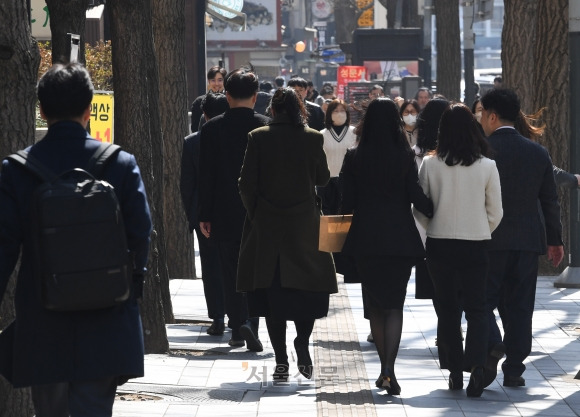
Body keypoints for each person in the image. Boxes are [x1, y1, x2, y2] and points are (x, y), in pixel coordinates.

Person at [0, 63, 152, 416]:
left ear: (42, 109)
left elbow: (4, 247)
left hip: (42, 319)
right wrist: (131, 289)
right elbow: (141, 233)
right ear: (89, 108)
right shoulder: (120, 164)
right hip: (105, 316)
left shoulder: (17, 171)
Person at [237, 87, 337, 381]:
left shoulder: (258, 137)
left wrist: (256, 212)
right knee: (307, 288)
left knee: (272, 294)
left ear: (273, 109)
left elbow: (245, 183)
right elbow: (322, 178)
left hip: (267, 226)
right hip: (304, 226)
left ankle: (281, 360)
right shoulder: (312, 138)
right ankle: (302, 343)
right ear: (300, 108)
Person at [339, 98, 433, 395]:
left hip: (366, 239)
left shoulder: (354, 156)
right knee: (394, 305)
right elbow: (416, 196)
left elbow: (346, 201)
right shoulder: (404, 157)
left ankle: (383, 368)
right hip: (399, 240)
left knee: (375, 305)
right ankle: (389, 369)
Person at [414, 103, 503, 397]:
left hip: (439, 244)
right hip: (475, 243)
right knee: (477, 307)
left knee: (447, 308)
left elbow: (421, 207)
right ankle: (477, 366)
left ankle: (453, 368)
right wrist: (480, 228)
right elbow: (496, 211)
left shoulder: (430, 164)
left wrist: (433, 226)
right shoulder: (487, 166)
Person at [479, 88, 564, 388]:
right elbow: (549, 201)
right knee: (520, 305)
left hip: (488, 238)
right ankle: (514, 368)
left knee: (483, 299)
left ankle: (492, 341)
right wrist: (555, 240)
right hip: (527, 240)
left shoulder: (482, 151)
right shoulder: (537, 152)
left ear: (491, 115)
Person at [198, 64, 270, 351]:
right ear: (255, 96)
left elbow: (207, 175)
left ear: (226, 95)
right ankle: (252, 321)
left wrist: (204, 214)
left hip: (223, 210)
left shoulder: (212, 128)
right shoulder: (264, 126)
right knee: (257, 269)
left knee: (229, 269)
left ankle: (237, 325)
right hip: (259, 211)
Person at [180, 92, 228, 336]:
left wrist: (194, 214)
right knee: (236, 264)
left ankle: (218, 317)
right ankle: (241, 317)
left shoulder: (192, 141)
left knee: (211, 267)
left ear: (204, 114)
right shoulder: (241, 136)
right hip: (234, 211)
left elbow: (186, 184)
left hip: (204, 215)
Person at [317, 99, 356, 215]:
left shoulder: (354, 133)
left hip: (348, 181)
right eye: (335, 111)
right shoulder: (322, 134)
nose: (339, 114)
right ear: (329, 114)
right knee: (328, 217)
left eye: (342, 110)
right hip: (326, 182)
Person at [190, 65, 227, 133]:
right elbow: (195, 129)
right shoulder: (199, 102)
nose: (216, 84)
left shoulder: (230, 100)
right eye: (213, 80)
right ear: (209, 82)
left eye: (220, 80)